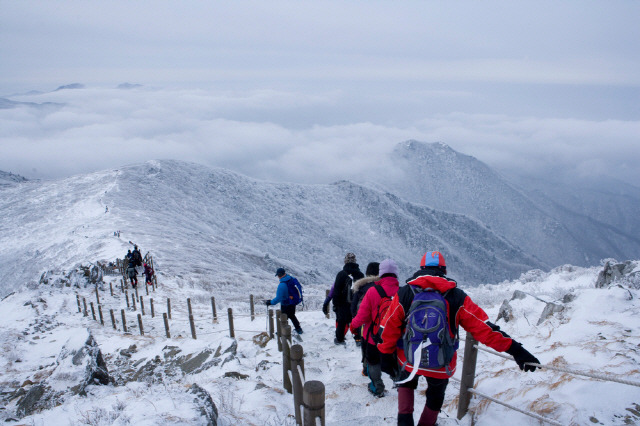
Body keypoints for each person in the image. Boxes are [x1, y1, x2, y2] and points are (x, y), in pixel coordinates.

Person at [378, 251, 541, 426]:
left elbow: (387, 326)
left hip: (409, 358)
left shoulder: (405, 293)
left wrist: (385, 354)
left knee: (406, 384)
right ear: (444, 271)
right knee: (436, 395)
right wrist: (516, 350)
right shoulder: (456, 296)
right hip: (442, 363)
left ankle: (404, 422)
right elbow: (484, 329)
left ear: (421, 269)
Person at [351, 259, 399, 397]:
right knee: (394, 360)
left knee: (373, 362)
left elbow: (362, 316)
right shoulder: (402, 292)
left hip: (373, 336)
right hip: (394, 337)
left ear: (381, 273)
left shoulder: (373, 291)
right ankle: (399, 382)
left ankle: (377, 387)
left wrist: (353, 327)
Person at [323, 252, 364, 345]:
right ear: (355, 261)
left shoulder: (341, 274)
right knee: (357, 320)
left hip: (343, 305)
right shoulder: (360, 275)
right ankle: (358, 339)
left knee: (341, 322)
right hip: (356, 303)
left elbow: (336, 291)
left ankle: (339, 339)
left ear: (345, 262)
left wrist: (335, 305)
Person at [350, 262, 380, 372]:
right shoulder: (383, 285)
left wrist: (354, 322)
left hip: (366, 323)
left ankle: (366, 367)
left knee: (366, 344)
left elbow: (354, 308)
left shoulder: (362, 287)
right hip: (383, 322)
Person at [265, 268, 303, 335]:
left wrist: (270, 302)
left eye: (278, 276)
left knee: (283, 318)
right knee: (291, 315)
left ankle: (281, 332)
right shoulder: (291, 278)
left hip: (285, 303)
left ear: (279, 275)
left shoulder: (282, 284)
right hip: (292, 301)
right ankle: (298, 329)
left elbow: (279, 298)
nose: (278, 277)